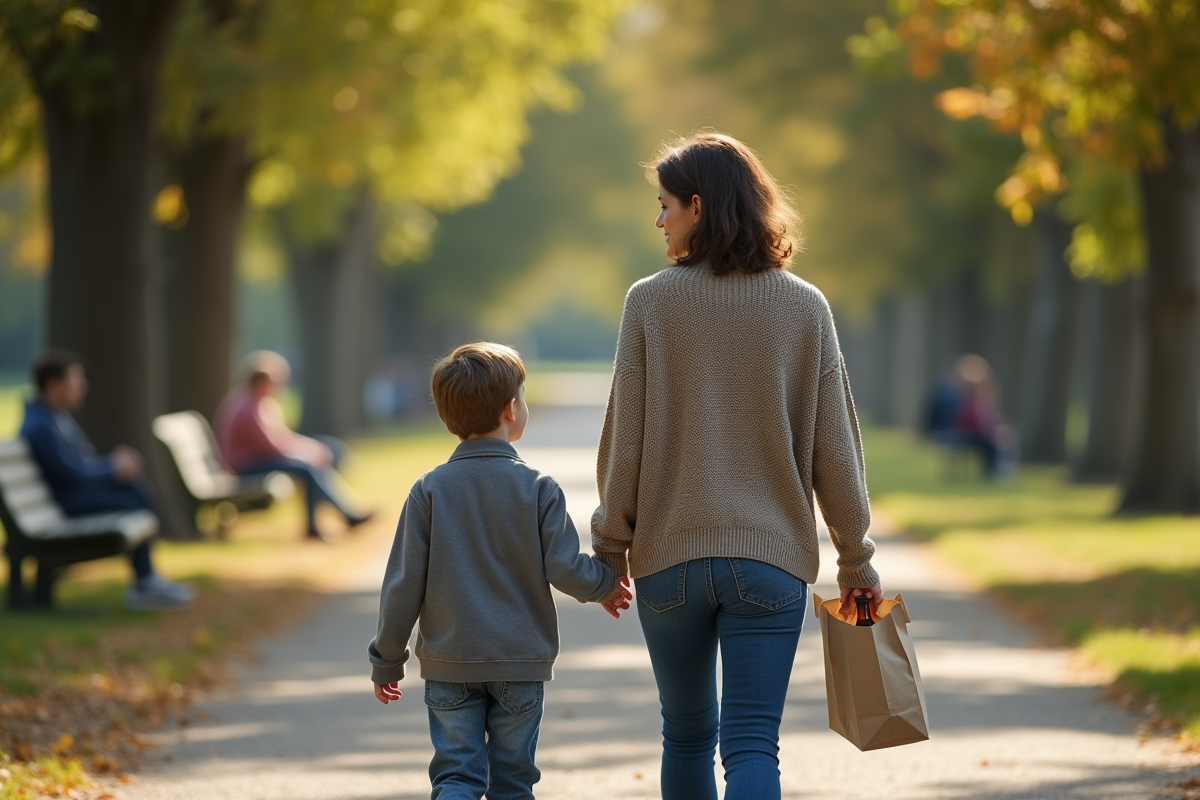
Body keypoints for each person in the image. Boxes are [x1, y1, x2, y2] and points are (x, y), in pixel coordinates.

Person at [591, 132, 883, 800]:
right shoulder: (806, 307)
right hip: (770, 563)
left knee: (686, 736)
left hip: (669, 564)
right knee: (753, 743)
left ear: (697, 205)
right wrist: (855, 559)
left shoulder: (649, 302)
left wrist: (610, 549)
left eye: (665, 205)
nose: (658, 221)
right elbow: (834, 449)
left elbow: (624, 441)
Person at [368, 342, 632, 800]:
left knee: (456, 776)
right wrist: (606, 584)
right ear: (511, 409)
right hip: (519, 661)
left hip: (449, 666)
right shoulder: (538, 489)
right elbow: (565, 568)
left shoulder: (428, 491)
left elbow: (402, 584)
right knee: (513, 781)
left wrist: (387, 659)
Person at [19, 350, 193, 610]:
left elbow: (80, 464)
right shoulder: (41, 426)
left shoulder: (54, 418)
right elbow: (71, 474)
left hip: (66, 500)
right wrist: (113, 467)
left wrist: (114, 464)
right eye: (75, 381)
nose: (83, 387)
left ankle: (146, 580)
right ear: (54, 386)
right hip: (65, 506)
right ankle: (145, 582)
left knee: (135, 489)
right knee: (134, 495)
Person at [214, 351, 373, 540]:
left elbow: (281, 437)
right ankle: (333, 518)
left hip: (257, 459)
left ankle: (337, 515)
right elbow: (270, 445)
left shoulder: (255, 402)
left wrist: (311, 448)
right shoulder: (249, 408)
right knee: (306, 467)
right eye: (276, 381)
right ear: (261, 381)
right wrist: (307, 452)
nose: (279, 386)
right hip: (245, 466)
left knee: (321, 451)